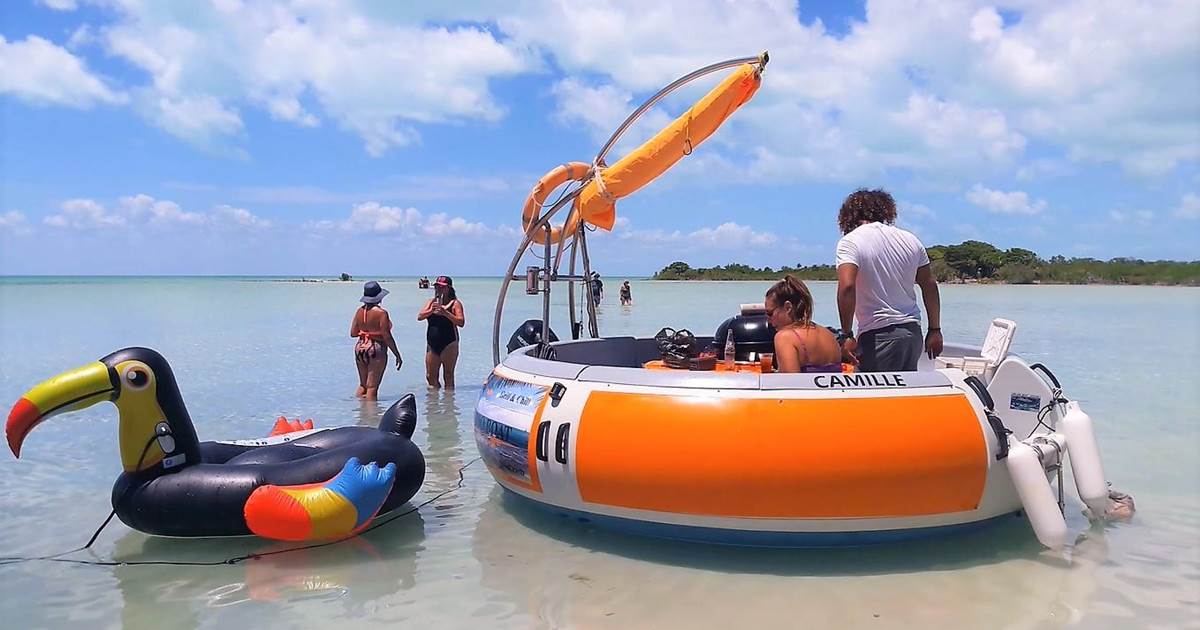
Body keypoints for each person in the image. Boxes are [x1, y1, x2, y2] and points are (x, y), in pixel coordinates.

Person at [834, 189, 942, 372]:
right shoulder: (911, 240)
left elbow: (847, 286)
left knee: (873, 397)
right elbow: (929, 285)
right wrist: (934, 329)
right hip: (912, 333)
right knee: (902, 397)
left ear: (848, 215)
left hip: (878, 336)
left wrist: (846, 335)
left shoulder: (850, 242)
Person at [764, 275, 843, 373]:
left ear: (788, 308)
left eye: (769, 313)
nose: (768, 320)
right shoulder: (829, 335)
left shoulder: (784, 337)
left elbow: (790, 384)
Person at [350, 281, 402, 399]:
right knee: (372, 387)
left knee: (363, 385)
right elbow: (386, 336)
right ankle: (371, 416)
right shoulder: (381, 313)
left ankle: (359, 413)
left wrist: (366, 332)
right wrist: (397, 354)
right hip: (375, 349)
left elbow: (353, 333)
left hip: (360, 347)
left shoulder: (359, 311)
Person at [418, 276, 465, 389]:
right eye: (437, 286)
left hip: (449, 343)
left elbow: (461, 322)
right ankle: (434, 404)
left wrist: (445, 313)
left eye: (442, 287)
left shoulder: (455, 303)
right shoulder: (432, 302)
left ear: (449, 288)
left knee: (448, 376)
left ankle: (449, 404)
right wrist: (431, 311)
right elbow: (420, 316)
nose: (439, 289)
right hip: (432, 344)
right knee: (430, 376)